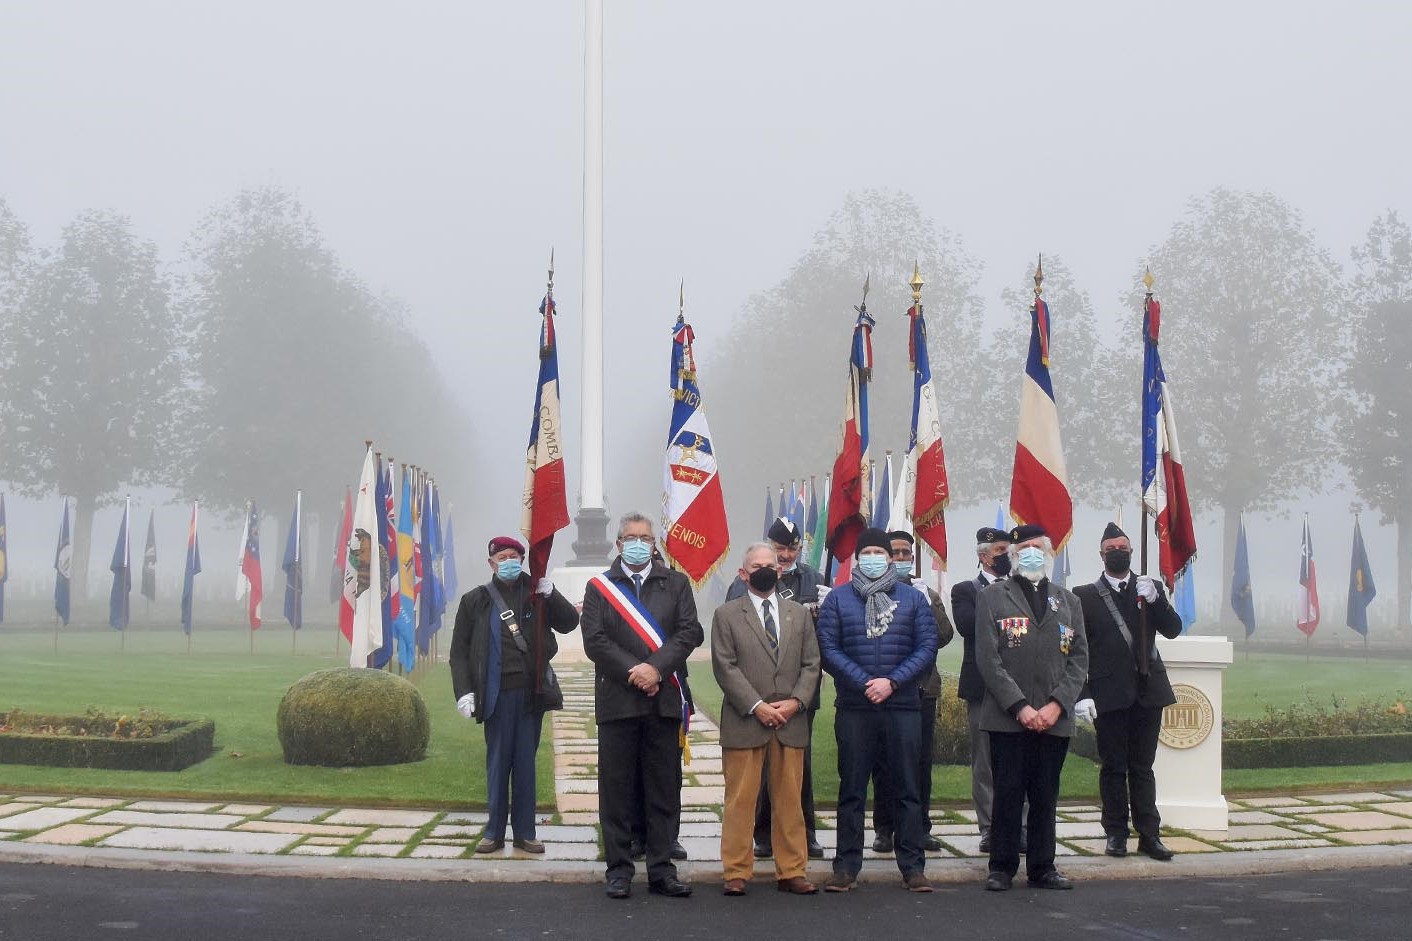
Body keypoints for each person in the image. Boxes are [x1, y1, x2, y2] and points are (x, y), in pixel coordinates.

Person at [580, 513, 704, 900]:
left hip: (662, 699)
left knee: (663, 789)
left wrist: (656, 669)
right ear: (619, 544)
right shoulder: (600, 587)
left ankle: (662, 869)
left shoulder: (676, 583)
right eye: (631, 537)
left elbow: (688, 631)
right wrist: (635, 671)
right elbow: (595, 640)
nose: (639, 543)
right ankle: (618, 869)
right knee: (616, 791)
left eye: (645, 537)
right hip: (618, 701)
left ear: (654, 544)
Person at [817, 527, 939, 894]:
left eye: (879, 553)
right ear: (857, 558)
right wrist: (865, 682)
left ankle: (913, 867)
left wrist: (892, 682)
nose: (873, 558)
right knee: (852, 789)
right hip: (856, 706)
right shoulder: (837, 599)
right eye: (866, 552)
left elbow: (926, 646)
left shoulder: (913, 599)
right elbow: (828, 649)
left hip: (902, 706)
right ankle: (846, 866)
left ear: (889, 558)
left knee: (907, 789)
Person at [975, 524, 1088, 892]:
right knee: (1007, 793)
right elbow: (988, 659)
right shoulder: (992, 597)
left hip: (1054, 718)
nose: (1031, 553)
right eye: (1023, 548)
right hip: (1009, 718)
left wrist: (1057, 704)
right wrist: (1020, 706)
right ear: (1013, 555)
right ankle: (1001, 867)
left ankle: (1043, 867)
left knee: (1045, 795)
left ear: (1049, 552)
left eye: (1037, 547)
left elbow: (1079, 659)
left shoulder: (1068, 601)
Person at [450, 535, 579, 854]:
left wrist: (552, 594)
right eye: (502, 557)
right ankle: (493, 832)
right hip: (495, 695)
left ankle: (525, 833)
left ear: (523, 559)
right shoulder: (476, 600)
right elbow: (459, 653)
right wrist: (464, 692)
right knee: (497, 763)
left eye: (514, 557)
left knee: (525, 765)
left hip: (530, 695)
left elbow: (569, 622)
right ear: (491, 562)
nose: (509, 562)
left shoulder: (537, 593)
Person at [712, 543, 822, 896]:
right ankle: (736, 871)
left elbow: (812, 664)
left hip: (790, 722)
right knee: (740, 801)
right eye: (756, 566)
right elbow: (725, 667)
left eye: (769, 565)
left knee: (790, 802)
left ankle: (792, 870)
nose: (764, 571)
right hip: (745, 720)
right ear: (743, 573)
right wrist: (757, 705)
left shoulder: (799, 614)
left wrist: (796, 702)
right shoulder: (727, 615)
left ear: (780, 570)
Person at [1072, 522, 1184, 862]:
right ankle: (1116, 833)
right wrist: (1082, 693)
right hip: (1108, 693)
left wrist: (1157, 600)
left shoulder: (1149, 587)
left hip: (1148, 690)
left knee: (1143, 767)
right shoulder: (1084, 596)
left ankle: (1150, 835)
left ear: (1132, 552)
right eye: (1111, 550)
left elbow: (1173, 629)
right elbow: (1076, 649)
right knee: (1113, 767)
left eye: (1123, 548)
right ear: (1101, 554)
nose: (1118, 553)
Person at [869, 530, 954, 854]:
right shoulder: (872, 592)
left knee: (919, 763)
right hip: (884, 689)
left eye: (907, 553)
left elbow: (944, 635)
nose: (902, 558)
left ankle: (919, 827)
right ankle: (884, 828)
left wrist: (928, 604)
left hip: (921, 688)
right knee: (883, 762)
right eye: (896, 552)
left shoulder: (925, 592)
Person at [950, 526, 1012, 854]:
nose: (1007, 556)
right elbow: (968, 626)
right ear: (984, 556)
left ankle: (1018, 827)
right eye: (1001, 551)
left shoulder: (1022, 588)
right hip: (983, 688)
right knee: (984, 762)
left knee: (1018, 761)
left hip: (1020, 687)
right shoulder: (965, 590)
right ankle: (989, 828)